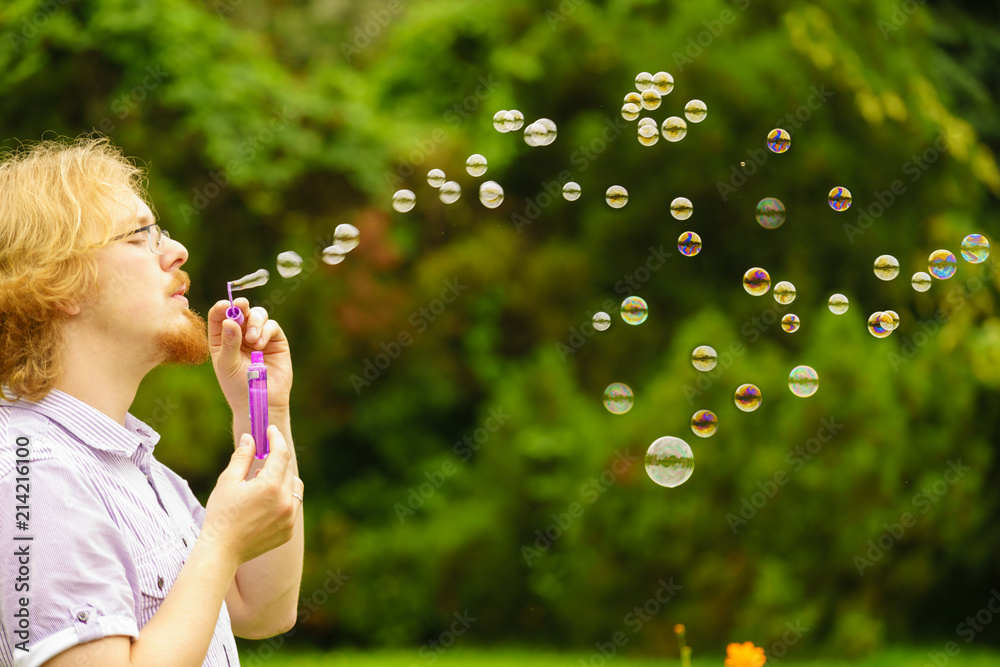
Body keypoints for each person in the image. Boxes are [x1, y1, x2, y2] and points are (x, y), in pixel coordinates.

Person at [0, 136, 305, 667]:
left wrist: (261, 408)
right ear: (61, 283)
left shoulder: (137, 470)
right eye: (141, 236)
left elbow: (265, 607)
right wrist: (219, 543)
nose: (176, 251)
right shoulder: (34, 471)